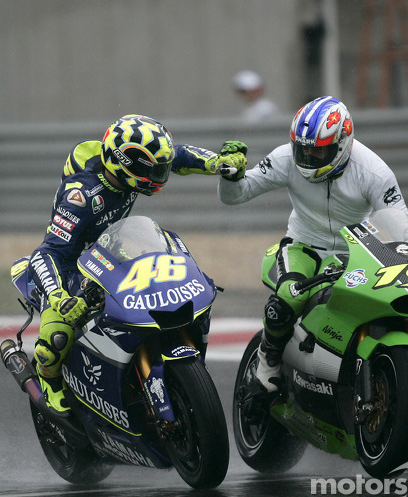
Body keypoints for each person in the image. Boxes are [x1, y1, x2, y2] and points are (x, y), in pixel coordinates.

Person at [26, 114, 248, 415]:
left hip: (108, 249)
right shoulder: (82, 196)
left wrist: (215, 163)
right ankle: (48, 384)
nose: (161, 175)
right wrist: (59, 298)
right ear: (125, 163)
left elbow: (178, 155)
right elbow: (47, 253)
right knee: (56, 338)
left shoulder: (125, 172)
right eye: (154, 170)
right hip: (69, 266)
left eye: (161, 168)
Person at [217, 96, 408, 393]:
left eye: (318, 152)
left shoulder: (375, 171)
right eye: (303, 150)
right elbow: (235, 195)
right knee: (286, 299)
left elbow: (403, 224)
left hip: (355, 252)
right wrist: (230, 177)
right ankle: (267, 360)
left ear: (342, 143)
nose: (307, 159)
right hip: (303, 246)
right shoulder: (286, 158)